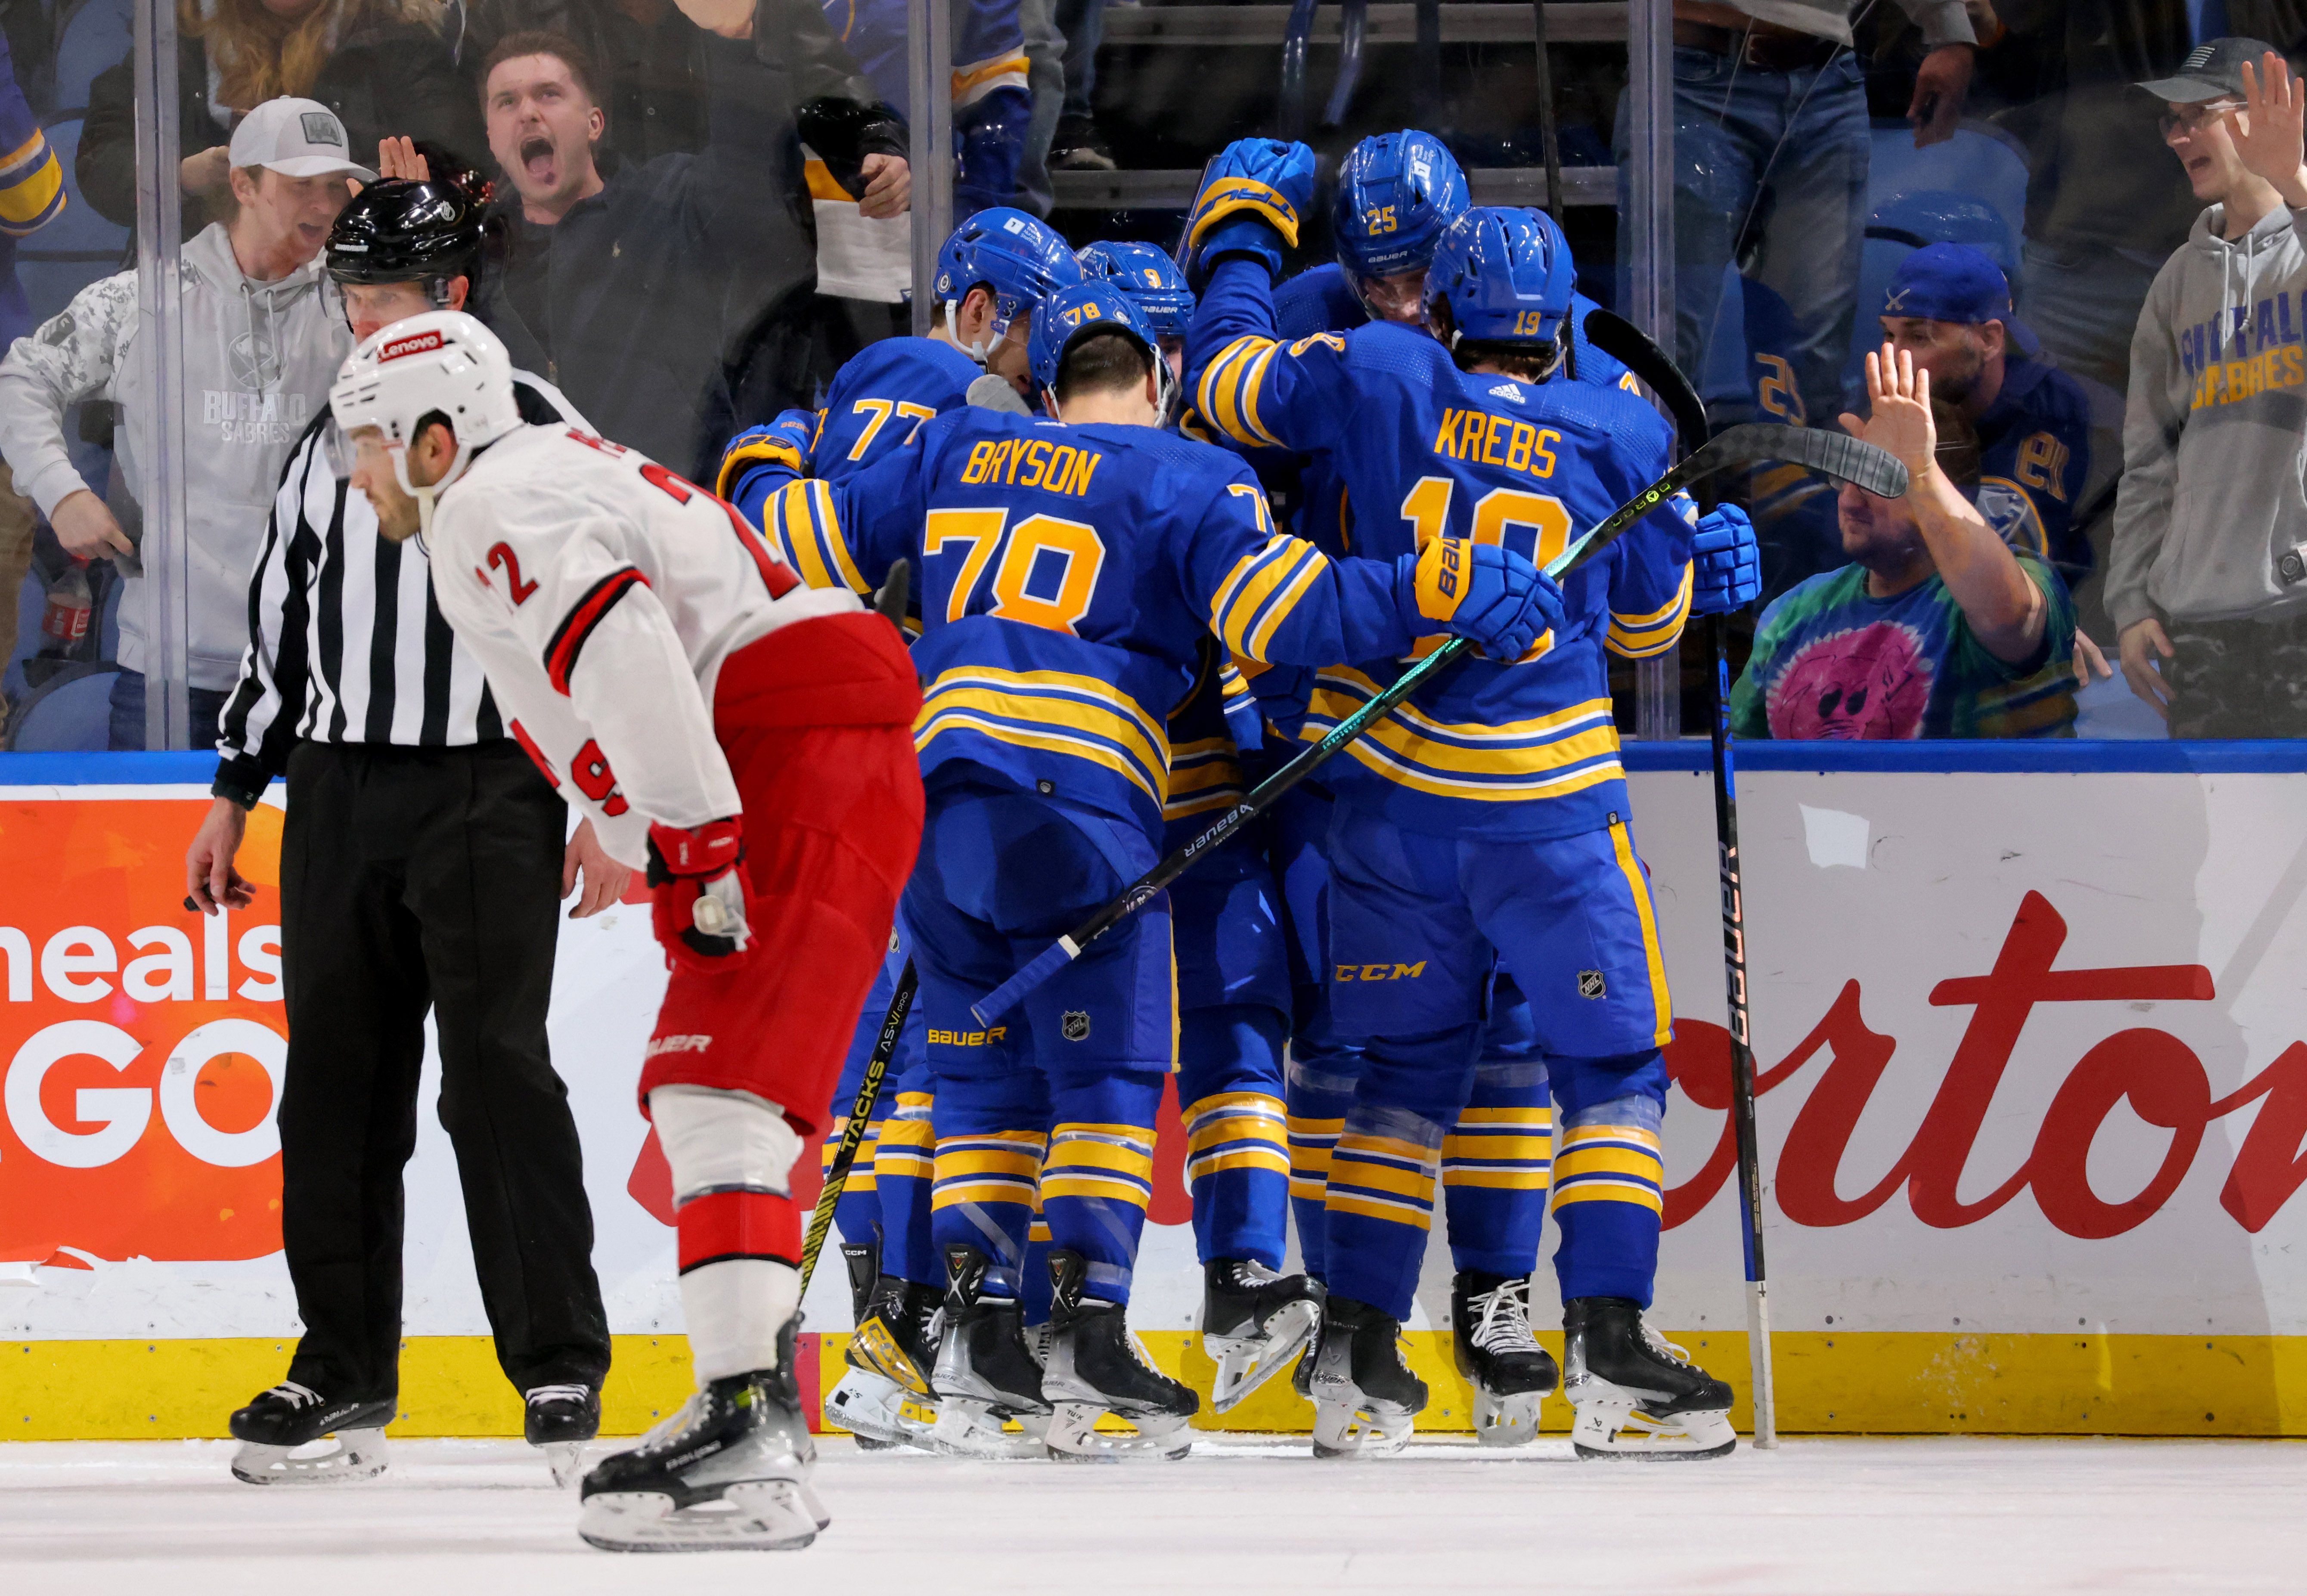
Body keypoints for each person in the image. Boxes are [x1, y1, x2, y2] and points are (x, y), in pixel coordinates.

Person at [743, 279, 1558, 1459]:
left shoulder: (958, 443)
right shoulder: (1191, 477)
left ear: (1044, 382)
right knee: (1109, 1075)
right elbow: (1292, 612)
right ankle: (1085, 1331)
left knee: (984, 1085)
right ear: (1164, 378)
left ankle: (977, 1342)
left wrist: (764, 449)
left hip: (932, 798)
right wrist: (1438, 586)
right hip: (1074, 799)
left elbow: (790, 533)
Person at [1183, 141, 1761, 1460]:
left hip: (1381, 806)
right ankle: (1608, 1346)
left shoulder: (1376, 371)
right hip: (1544, 817)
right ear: (1558, 323)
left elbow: (1223, 385)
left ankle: (1354, 1355)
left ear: (1434, 306)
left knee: (1396, 1072)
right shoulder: (1621, 426)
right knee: (1606, 1068)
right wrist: (1695, 556)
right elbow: (1649, 624)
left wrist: (1231, 247)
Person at [331, 309, 923, 1550]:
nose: (356, 472)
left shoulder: (494, 501)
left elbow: (619, 641)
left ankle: (743, 1428)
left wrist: (695, 833)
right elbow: (620, 656)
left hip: (775, 759)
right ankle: (751, 1416)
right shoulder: (551, 470)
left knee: (714, 1102)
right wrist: (630, 820)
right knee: (728, 1107)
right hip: (797, 747)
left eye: (370, 443)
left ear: (437, 437)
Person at [187, 164, 622, 1489]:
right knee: (332, 1088)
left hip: (489, 789)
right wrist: (234, 790)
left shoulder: (539, 427)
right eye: (352, 299)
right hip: (337, 788)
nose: (362, 325)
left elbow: (602, 625)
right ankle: (342, 1366)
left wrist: (604, 798)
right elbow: (284, 627)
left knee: (497, 1075)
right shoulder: (325, 442)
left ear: (456, 297)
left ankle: (558, 1363)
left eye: (383, 299)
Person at [717, 209, 1080, 1452]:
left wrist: (765, 460)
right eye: (1036, 333)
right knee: (934, 1054)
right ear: (980, 309)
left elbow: (775, 531)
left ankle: (887, 1334)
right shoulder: (995, 412)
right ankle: (896, 1342)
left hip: (819, 744)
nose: (1042, 360)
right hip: (931, 743)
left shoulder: (863, 382)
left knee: (880, 1047)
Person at [0, 96, 366, 749]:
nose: (324, 203)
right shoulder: (146, 298)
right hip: (171, 678)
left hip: (320, 672)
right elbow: (22, 378)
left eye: (336, 185)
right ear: (244, 185)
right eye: (301, 184)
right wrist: (62, 491)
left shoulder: (356, 304)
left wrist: (399, 254)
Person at [472, 24, 899, 484]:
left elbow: (747, 163)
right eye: (507, 102)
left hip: (675, 504)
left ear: (595, 123)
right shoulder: (478, 253)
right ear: (492, 136)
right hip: (535, 518)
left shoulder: (670, 200)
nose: (528, 114)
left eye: (549, 95)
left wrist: (733, 44)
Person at [2110, 43, 2307, 737]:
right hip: (2197, 620)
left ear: (2267, 115)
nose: (2179, 136)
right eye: (2171, 120)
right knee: (2226, 843)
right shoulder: (2174, 282)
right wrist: (2132, 602)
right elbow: (2147, 461)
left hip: (2298, 606)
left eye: (2199, 115)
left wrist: (2299, 182)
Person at [1731, 349, 2078, 738]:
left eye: (1877, 480)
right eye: (1844, 477)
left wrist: (1920, 470)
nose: (1849, 499)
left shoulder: (2016, 582)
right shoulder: (1791, 615)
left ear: (1947, 491)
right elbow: (1734, 764)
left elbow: (2009, 617)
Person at [78, 0, 482, 236]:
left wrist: (346, 188)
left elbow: (462, 172)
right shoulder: (180, 41)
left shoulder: (394, 38)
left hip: (346, 282)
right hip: (196, 282)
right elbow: (103, 156)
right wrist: (182, 176)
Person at [1879, 243, 2094, 585]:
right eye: (1889, 335)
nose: (1891, 357)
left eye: (1919, 337)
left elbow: (2010, 575)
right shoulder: (1884, 406)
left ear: (1990, 339)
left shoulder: (2048, 409)